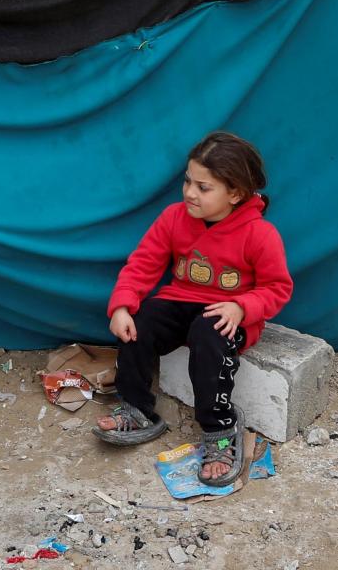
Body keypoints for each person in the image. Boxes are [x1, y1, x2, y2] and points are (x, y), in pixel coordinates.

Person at [93, 132, 294, 486]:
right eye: (188, 181)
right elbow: (142, 265)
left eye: (204, 187)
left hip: (227, 315)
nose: (189, 193)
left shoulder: (260, 235)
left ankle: (219, 430)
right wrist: (122, 305)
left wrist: (241, 306)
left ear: (234, 193)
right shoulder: (173, 218)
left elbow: (277, 289)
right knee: (142, 319)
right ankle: (138, 407)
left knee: (208, 333)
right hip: (182, 299)